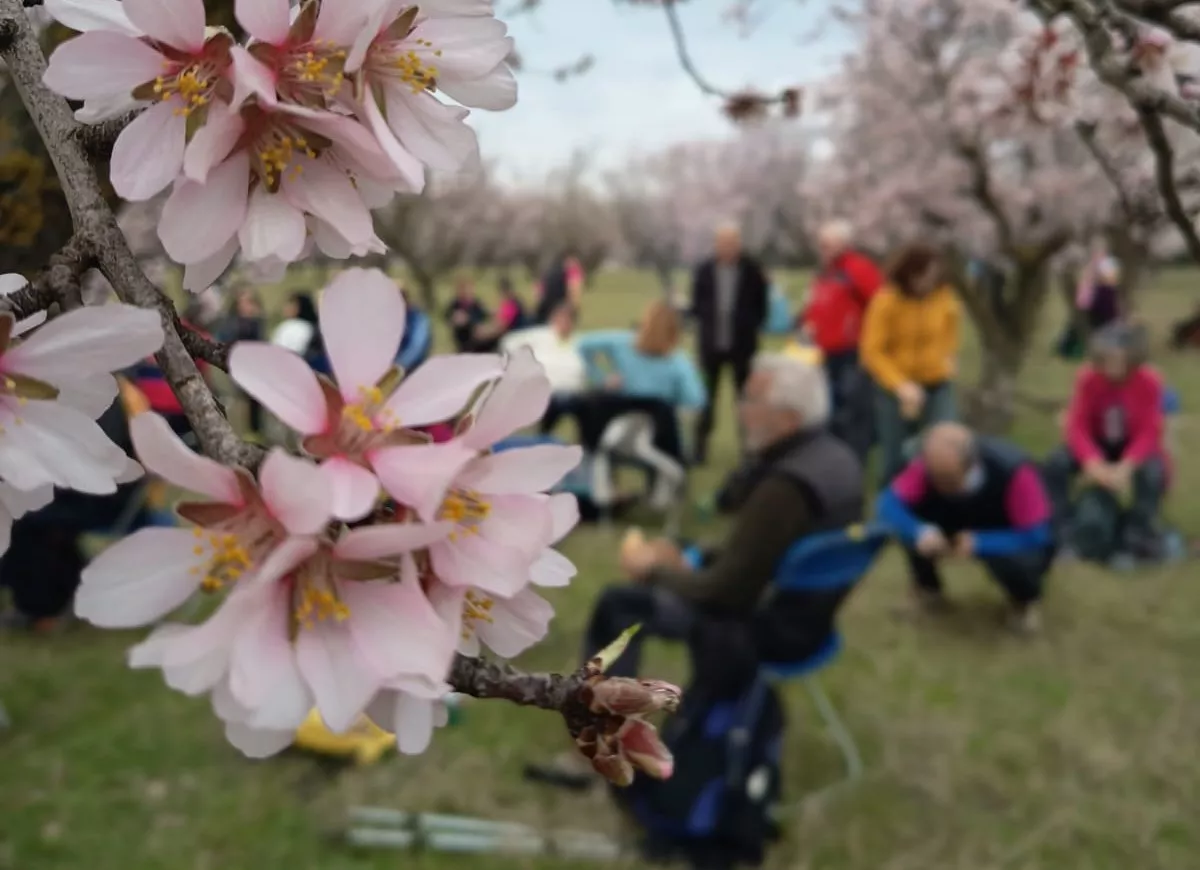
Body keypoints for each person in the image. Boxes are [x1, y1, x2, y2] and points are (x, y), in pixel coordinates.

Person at [581, 351, 863, 686]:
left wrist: (654, 572)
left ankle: (601, 716)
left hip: (761, 628)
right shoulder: (836, 458)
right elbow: (757, 552)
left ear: (788, 418)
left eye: (751, 400)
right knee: (676, 550)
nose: (741, 411)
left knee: (618, 605)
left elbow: (724, 593)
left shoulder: (785, 487)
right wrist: (690, 554)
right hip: (806, 619)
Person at [876, 422, 1054, 634]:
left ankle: (1024, 602)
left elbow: (1037, 535)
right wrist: (919, 530)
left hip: (1004, 528)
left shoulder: (1014, 471)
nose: (938, 483)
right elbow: (888, 503)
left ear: (971, 464)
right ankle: (928, 590)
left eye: (947, 478)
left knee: (1019, 559)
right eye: (934, 475)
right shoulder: (931, 464)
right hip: (955, 518)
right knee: (907, 521)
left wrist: (981, 543)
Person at [1043, 323, 1169, 562]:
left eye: (1118, 360)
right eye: (1106, 359)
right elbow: (1076, 425)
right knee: (1057, 463)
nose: (1111, 366)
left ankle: (1138, 531)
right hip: (1097, 441)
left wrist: (1127, 466)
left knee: (1153, 472)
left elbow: (1150, 431)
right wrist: (1092, 463)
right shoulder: (1088, 378)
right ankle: (1060, 526)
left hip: (1132, 445)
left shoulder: (1150, 381)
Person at [576, 301, 707, 510]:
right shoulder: (678, 361)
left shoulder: (622, 344)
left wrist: (601, 377)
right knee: (666, 421)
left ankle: (606, 487)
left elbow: (583, 344)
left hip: (614, 437)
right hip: (657, 440)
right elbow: (696, 400)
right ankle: (662, 492)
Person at [860, 242, 961, 483]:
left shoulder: (945, 298)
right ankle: (891, 505)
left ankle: (937, 499)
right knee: (894, 457)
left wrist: (947, 360)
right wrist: (900, 385)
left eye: (933, 276)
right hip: (894, 389)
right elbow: (872, 352)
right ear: (909, 274)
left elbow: (950, 335)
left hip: (937, 384)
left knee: (947, 443)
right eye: (923, 276)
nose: (928, 282)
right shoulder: (886, 301)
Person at [801, 219, 883, 462]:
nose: (821, 248)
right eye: (821, 244)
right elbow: (816, 304)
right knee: (828, 407)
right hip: (823, 351)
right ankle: (832, 458)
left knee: (853, 409)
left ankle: (854, 459)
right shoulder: (824, 271)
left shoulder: (858, 268)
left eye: (827, 244)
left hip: (852, 351)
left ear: (843, 244)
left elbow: (880, 305)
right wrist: (806, 323)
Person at [688, 222, 769, 464]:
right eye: (722, 243)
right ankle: (700, 450)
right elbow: (696, 305)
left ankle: (750, 449)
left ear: (739, 244)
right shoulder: (704, 270)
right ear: (716, 245)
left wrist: (749, 324)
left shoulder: (752, 270)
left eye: (732, 243)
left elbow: (761, 307)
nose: (727, 248)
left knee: (744, 399)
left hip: (742, 347)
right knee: (704, 399)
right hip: (710, 347)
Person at [502, 302, 587, 433]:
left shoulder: (580, 342)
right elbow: (509, 342)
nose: (564, 323)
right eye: (560, 319)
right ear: (553, 320)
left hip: (573, 393)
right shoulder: (541, 336)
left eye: (568, 319)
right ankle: (543, 435)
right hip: (547, 391)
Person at [224, 286, 265, 433]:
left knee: (255, 404)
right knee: (241, 402)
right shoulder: (235, 324)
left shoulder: (257, 322)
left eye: (250, 302)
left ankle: (255, 431)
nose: (247, 306)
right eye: (243, 302)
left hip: (257, 367)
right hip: (240, 367)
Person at [472, 275, 529, 349]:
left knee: (478, 344)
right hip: (510, 334)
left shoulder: (511, 304)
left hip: (513, 337)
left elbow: (502, 328)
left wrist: (485, 333)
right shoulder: (510, 302)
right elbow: (499, 320)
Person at [444, 274, 492, 353]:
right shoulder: (455, 304)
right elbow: (446, 317)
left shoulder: (476, 304)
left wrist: (468, 319)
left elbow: (483, 317)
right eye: (463, 290)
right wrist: (453, 319)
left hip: (476, 337)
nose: (466, 292)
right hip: (461, 338)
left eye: (468, 290)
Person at [534, 254, 585, 325]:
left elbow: (538, 289)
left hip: (545, 306)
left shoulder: (550, 271)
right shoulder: (572, 269)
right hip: (561, 306)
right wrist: (573, 307)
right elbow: (574, 289)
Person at [396, 287, 432, 373]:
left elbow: (416, 345)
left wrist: (397, 365)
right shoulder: (391, 317)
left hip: (411, 369)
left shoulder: (417, 318)